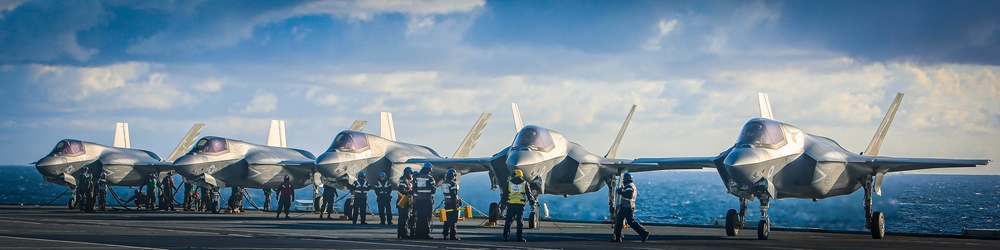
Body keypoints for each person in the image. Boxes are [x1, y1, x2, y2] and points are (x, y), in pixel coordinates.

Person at [612, 172, 650, 242]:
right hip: (629, 206)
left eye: (624, 179)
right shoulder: (632, 185)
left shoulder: (629, 186)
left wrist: (620, 192)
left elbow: (629, 195)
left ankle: (618, 238)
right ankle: (643, 233)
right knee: (630, 222)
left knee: (620, 221)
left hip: (626, 206)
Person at [503, 169, 534, 242]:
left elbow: (505, 195)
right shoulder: (525, 183)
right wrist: (532, 203)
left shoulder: (509, 183)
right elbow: (529, 195)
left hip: (511, 205)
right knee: (520, 221)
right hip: (520, 205)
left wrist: (503, 203)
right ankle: (519, 237)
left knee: (508, 221)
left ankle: (505, 236)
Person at [413, 163, 436, 239]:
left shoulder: (417, 178)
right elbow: (433, 190)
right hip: (427, 200)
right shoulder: (430, 178)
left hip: (419, 200)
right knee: (427, 217)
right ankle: (425, 234)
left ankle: (418, 233)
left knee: (420, 217)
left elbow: (415, 189)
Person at [441, 168, 462, 240]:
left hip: (447, 203)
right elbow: (454, 194)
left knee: (446, 220)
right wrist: (457, 202)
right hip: (452, 204)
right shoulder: (453, 184)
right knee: (453, 220)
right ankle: (453, 235)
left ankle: (445, 233)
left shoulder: (444, 183)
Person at [396, 167, 414, 239]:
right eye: (411, 173)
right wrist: (410, 192)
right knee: (404, 218)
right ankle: (403, 233)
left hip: (406, 201)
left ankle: (401, 233)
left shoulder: (408, 181)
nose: (412, 175)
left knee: (404, 218)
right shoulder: (403, 181)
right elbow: (401, 190)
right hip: (403, 201)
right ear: (408, 173)